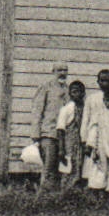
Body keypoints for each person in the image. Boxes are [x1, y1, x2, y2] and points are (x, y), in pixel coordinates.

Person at [31, 63, 69, 191]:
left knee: (61, 168)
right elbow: (37, 111)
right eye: (59, 70)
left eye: (65, 70)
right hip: (48, 134)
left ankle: (56, 197)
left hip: (63, 136)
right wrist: (36, 135)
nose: (62, 73)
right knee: (48, 167)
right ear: (53, 71)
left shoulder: (69, 89)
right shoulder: (46, 88)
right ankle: (43, 195)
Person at [59, 80, 86, 191]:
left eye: (80, 92)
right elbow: (60, 130)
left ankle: (77, 192)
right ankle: (65, 191)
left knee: (80, 166)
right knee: (68, 167)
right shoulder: (66, 109)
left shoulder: (85, 108)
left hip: (81, 143)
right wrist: (61, 149)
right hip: (69, 143)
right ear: (70, 93)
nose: (77, 94)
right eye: (74, 92)